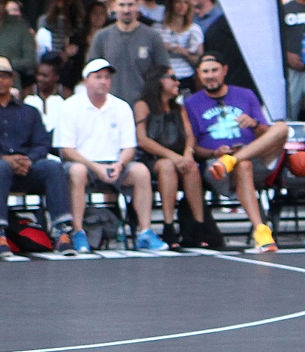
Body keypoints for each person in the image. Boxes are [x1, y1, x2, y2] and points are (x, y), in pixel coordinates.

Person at [54, 58, 166, 253]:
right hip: (83, 163)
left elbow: (129, 146)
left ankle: (145, 231)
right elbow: (66, 149)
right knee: (77, 171)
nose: (104, 81)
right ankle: (78, 231)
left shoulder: (121, 106)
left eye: (107, 77)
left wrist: (120, 164)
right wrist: (96, 167)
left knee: (140, 171)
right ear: (86, 80)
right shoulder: (70, 106)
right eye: (98, 77)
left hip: (115, 164)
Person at [184, 52, 288, 253]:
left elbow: (267, 135)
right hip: (217, 167)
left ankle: (232, 160)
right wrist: (215, 153)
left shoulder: (246, 95)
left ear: (224, 71)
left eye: (214, 70)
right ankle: (261, 230)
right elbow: (194, 147)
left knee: (282, 128)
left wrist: (255, 124)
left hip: (254, 156)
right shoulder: (191, 103)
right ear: (198, 74)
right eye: (205, 72)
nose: (210, 75)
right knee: (243, 165)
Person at [0, 56, 74, 258]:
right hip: (1, 169)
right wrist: (6, 160)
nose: (0, 80)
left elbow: (42, 142)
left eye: (4, 76)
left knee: (52, 166)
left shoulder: (29, 111)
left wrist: (28, 160)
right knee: (1, 167)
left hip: (26, 168)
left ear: (12, 79)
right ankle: (0, 234)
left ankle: (62, 231)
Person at [134, 65, 204, 248]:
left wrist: (188, 153)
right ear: (159, 80)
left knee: (192, 168)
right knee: (166, 165)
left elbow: (190, 135)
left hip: (179, 157)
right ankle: (168, 225)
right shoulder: (143, 105)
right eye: (172, 78)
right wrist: (173, 156)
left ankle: (199, 226)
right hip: (151, 159)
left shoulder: (179, 108)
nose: (177, 82)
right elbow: (143, 140)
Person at [86, 0, 169, 104]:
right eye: (122, 5)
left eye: (130, 5)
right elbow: (92, 72)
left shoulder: (153, 37)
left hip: (144, 107)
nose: (126, 10)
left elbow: (164, 70)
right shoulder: (101, 37)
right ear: (114, 7)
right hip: (109, 105)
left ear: (138, 6)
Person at [157, 0, 202, 95]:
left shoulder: (194, 29)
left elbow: (200, 60)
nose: (182, 6)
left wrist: (183, 51)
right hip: (164, 77)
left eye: (186, 3)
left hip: (186, 77)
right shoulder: (158, 28)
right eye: (178, 2)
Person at [0, 0, 34, 87]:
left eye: (1, 2)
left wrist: (6, 64)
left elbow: (30, 60)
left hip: (11, 87)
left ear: (5, 4)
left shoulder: (20, 27)